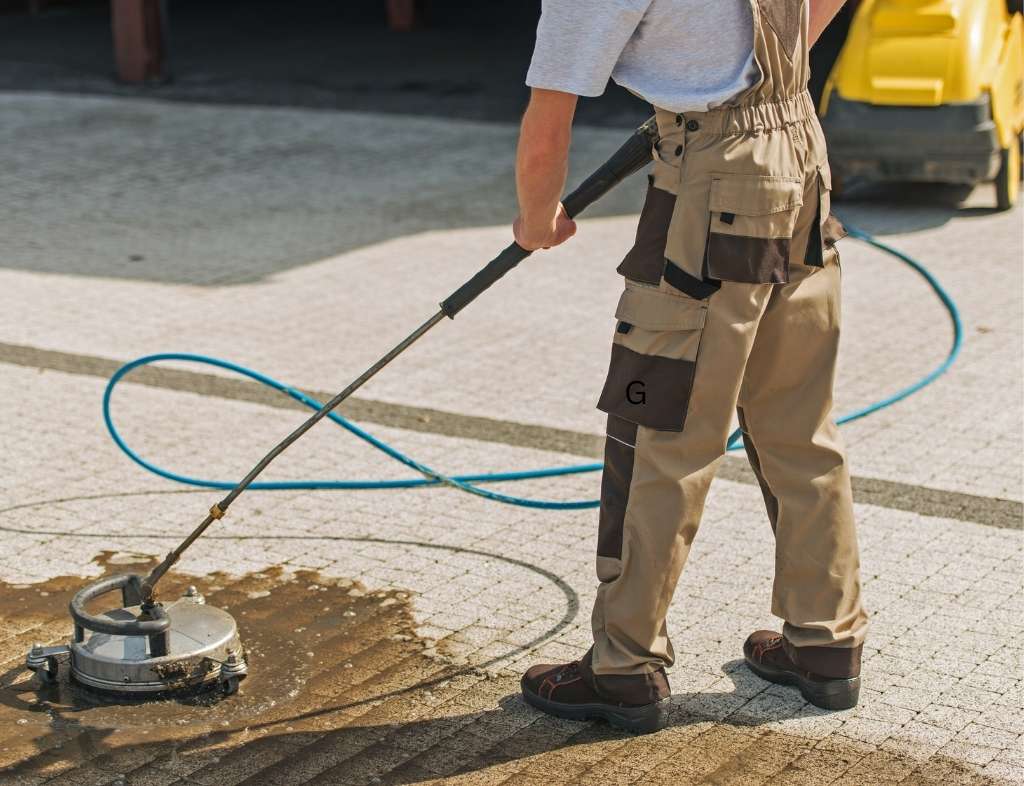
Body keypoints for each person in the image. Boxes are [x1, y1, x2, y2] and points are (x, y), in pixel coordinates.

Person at [514, 0, 868, 734]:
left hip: (710, 185)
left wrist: (536, 215)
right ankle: (825, 644)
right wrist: (760, 78)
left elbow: (550, 115)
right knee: (799, 424)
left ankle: (622, 666)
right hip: (799, 148)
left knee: (661, 431)